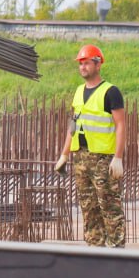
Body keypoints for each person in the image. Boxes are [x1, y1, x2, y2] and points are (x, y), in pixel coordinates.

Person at [54, 44, 127, 247]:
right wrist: (64, 155)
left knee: (109, 205)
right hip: (81, 158)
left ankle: (116, 249)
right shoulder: (78, 92)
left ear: (98, 64)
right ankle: (95, 248)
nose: (82, 67)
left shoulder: (110, 92)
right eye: (80, 63)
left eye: (86, 63)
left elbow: (120, 125)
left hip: (103, 159)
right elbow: (73, 124)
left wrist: (118, 157)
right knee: (88, 207)